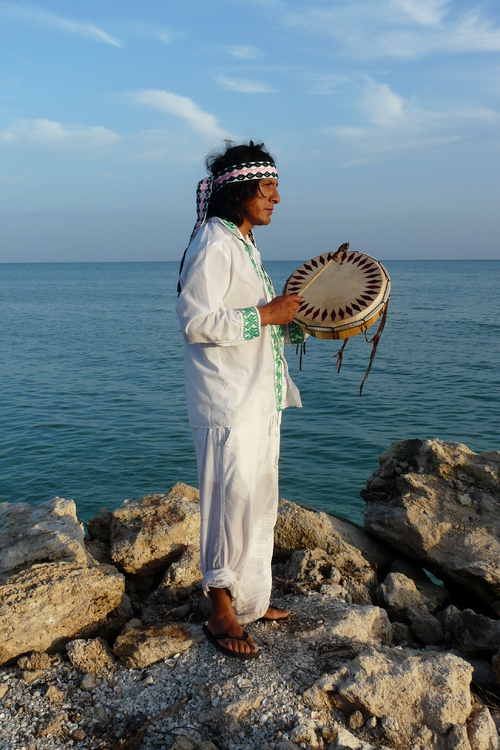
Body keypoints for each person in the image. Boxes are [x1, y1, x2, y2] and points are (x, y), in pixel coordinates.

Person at [176, 140, 306, 659]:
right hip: (227, 401)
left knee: (258, 501)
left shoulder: (243, 241)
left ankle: (250, 600)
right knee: (229, 502)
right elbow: (196, 323)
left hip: (257, 397)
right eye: (268, 187)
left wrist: (290, 322)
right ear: (240, 191)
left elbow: (254, 317)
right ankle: (220, 609)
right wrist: (266, 315)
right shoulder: (213, 242)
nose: (277, 197)